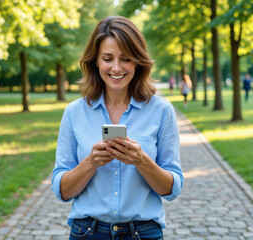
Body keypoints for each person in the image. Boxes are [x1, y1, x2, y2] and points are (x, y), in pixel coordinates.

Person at [52, 16, 183, 240]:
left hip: (144, 233)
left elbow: (172, 189)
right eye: (107, 58)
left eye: (125, 59)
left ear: (138, 61)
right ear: (95, 61)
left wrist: (141, 160)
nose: (116, 67)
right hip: (87, 233)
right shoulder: (74, 112)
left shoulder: (161, 110)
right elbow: (62, 191)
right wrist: (90, 162)